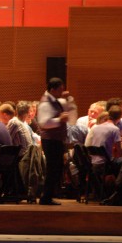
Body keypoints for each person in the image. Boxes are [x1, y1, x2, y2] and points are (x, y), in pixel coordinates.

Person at [37, 77, 76, 205]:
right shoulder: (46, 103)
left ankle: (47, 196)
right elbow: (43, 123)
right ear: (53, 90)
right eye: (60, 90)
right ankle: (45, 197)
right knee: (53, 168)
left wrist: (68, 99)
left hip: (56, 140)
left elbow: (72, 114)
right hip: (50, 140)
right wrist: (59, 119)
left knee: (56, 168)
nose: (63, 92)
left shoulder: (55, 100)